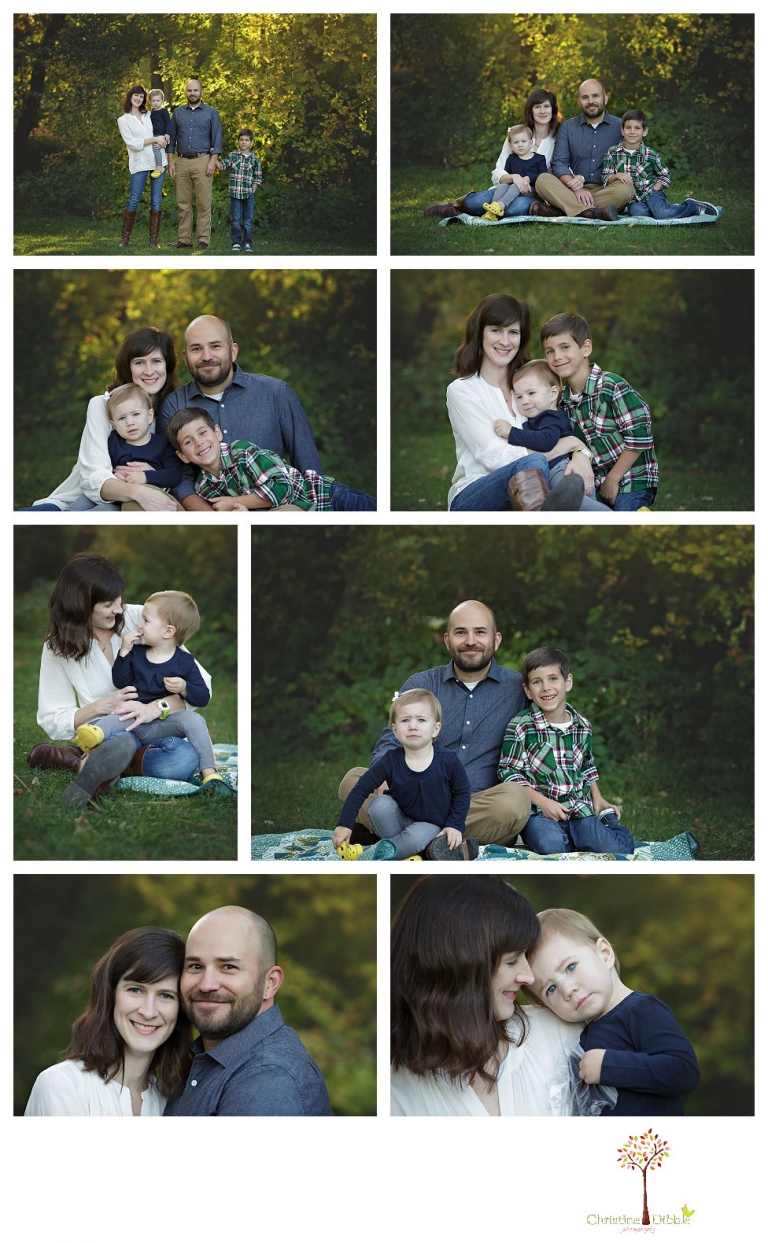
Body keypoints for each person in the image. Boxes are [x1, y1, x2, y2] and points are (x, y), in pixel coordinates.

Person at [339, 600, 530, 847]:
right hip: (414, 796)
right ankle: (436, 845)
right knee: (352, 780)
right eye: (460, 632)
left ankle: (396, 835)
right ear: (447, 640)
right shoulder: (422, 685)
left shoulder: (518, 689)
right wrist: (381, 775)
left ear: (497, 639)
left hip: (474, 804)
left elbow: (553, 728)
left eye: (480, 632)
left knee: (514, 801)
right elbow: (390, 739)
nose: (470, 641)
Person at [26, 553, 213, 802]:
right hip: (109, 731)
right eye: (107, 604)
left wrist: (156, 707)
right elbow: (53, 717)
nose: (119, 608)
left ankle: (83, 761)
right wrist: (101, 707)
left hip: (155, 729)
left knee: (184, 758)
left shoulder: (141, 619)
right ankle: (103, 759)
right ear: (80, 604)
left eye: (118, 597)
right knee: (123, 742)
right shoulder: (58, 647)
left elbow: (200, 684)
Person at [390, 876, 581, 1115]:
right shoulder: (394, 1092)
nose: (528, 977)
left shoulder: (559, 1035)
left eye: (525, 956)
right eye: (512, 961)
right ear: (460, 965)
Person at [528, 908, 701, 1115]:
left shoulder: (641, 1010)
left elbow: (684, 1071)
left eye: (571, 967)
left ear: (604, 954)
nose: (567, 990)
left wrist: (609, 1066)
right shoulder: (579, 1037)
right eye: (551, 989)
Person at [164, 905, 332, 1115]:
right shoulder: (202, 1060)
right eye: (196, 966)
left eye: (228, 967)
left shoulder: (268, 1076)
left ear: (270, 983)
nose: (207, 985)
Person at [446, 293, 604, 512]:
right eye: (496, 330)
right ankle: (544, 520)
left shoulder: (528, 387)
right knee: (533, 464)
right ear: (479, 333)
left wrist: (581, 453)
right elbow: (497, 459)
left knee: (581, 502)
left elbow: (557, 426)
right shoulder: (462, 391)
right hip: (475, 495)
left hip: (535, 488)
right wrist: (570, 444)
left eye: (513, 332)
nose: (504, 341)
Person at [71, 590, 227, 805]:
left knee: (194, 720)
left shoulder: (185, 662)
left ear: (168, 631)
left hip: (161, 727)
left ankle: (209, 773)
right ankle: (97, 740)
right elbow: (120, 680)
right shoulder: (137, 653)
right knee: (123, 713)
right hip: (131, 725)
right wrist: (124, 652)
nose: (139, 625)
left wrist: (184, 688)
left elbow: (203, 698)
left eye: (146, 620)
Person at [159, 315, 324, 508]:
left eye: (215, 346)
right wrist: (214, 520)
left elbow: (307, 464)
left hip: (280, 508)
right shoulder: (173, 404)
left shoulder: (276, 393)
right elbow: (180, 477)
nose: (206, 356)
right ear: (186, 357)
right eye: (196, 349)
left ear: (233, 351)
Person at [24, 927, 192, 1116]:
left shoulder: (173, 1104)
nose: (148, 1011)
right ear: (110, 995)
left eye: (166, 995)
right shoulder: (62, 1085)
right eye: (136, 990)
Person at [22, 326, 180, 513]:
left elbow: (177, 472)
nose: (148, 371)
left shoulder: (173, 411)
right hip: (75, 503)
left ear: (167, 366)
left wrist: (149, 476)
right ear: (128, 367)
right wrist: (137, 490)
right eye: (139, 362)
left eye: (156, 361)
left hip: (133, 506)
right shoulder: (102, 405)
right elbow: (94, 476)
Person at [498, 646, 635, 855]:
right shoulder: (521, 726)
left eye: (553, 678)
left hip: (578, 808)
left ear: (567, 682)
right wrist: (543, 803)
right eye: (537, 681)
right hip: (539, 813)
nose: (546, 687)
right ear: (527, 690)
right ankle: (572, 840)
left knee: (616, 849)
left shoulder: (583, 726)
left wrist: (597, 798)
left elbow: (587, 766)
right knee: (550, 845)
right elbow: (508, 772)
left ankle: (607, 823)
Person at [334, 689, 476, 861]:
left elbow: (462, 792)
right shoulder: (390, 760)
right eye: (405, 720)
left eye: (421, 720)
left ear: (435, 729)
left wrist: (454, 825)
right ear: (394, 730)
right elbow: (361, 789)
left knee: (415, 838)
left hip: (430, 825)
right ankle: (409, 855)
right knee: (379, 804)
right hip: (397, 820)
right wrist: (344, 824)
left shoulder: (448, 761)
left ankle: (368, 853)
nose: (413, 726)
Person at [541, 311, 659, 510]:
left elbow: (640, 438)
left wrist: (613, 479)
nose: (557, 356)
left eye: (565, 347)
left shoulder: (611, 386)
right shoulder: (563, 400)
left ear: (586, 348)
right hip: (596, 482)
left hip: (633, 479)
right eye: (549, 351)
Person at [167, 407, 377, 511]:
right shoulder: (204, 488)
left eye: (203, 433)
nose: (199, 443)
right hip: (299, 512)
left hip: (326, 497)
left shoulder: (241, 452)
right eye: (188, 442)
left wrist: (236, 502)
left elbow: (282, 487)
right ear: (182, 456)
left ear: (218, 433)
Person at [424, 87, 562, 219]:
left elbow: (554, 173)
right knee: (476, 201)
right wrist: (514, 177)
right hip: (505, 189)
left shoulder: (559, 138)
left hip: (531, 193)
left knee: (517, 207)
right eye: (537, 107)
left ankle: (488, 210)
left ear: (553, 109)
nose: (542, 111)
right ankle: (454, 207)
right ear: (531, 110)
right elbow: (498, 173)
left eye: (546, 106)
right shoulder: (518, 134)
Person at [534, 79, 636, 220]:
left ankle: (562, 209)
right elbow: (559, 163)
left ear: (605, 98)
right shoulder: (568, 127)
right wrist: (577, 188)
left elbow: (634, 157)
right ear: (579, 102)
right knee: (542, 180)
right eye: (585, 97)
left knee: (626, 189)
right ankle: (593, 212)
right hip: (571, 189)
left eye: (595, 96)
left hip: (606, 190)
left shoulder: (621, 127)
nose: (590, 101)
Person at [493, 359, 595, 495]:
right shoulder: (538, 418)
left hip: (562, 469)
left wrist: (511, 432)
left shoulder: (551, 418)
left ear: (553, 393)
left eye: (531, 393)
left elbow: (546, 441)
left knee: (572, 502)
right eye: (519, 397)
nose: (524, 401)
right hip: (551, 471)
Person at [602, 109, 717, 220]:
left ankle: (692, 206)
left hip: (651, 192)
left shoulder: (650, 154)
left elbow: (665, 175)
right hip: (634, 199)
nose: (632, 132)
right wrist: (617, 176)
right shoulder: (613, 152)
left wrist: (656, 189)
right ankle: (659, 210)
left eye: (637, 128)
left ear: (645, 131)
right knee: (638, 213)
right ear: (622, 130)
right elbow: (606, 177)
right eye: (628, 128)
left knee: (661, 214)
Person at [106, 383, 184, 509]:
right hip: (118, 499)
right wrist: (112, 477)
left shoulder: (163, 444)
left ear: (149, 416)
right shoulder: (114, 442)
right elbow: (102, 469)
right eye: (121, 418)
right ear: (114, 425)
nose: (129, 422)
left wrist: (145, 476)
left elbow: (175, 475)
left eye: (135, 414)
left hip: (154, 499)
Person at [166, 78, 222, 251]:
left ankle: (203, 240)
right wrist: (170, 162)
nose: (192, 93)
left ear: (201, 92)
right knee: (183, 203)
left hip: (203, 160)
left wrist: (213, 161)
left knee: (204, 203)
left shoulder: (211, 112)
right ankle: (184, 239)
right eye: (189, 90)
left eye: (195, 90)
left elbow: (217, 139)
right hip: (181, 161)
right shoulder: (177, 113)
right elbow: (171, 140)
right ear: (185, 93)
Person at [116, 84, 167, 249]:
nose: (138, 98)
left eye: (141, 96)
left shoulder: (150, 115)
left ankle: (153, 241)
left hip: (158, 161)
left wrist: (165, 138)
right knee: (134, 199)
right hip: (139, 162)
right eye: (135, 95)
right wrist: (154, 140)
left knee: (156, 200)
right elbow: (133, 144)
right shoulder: (123, 120)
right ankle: (124, 239)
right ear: (130, 97)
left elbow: (163, 130)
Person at [482, 125, 549, 219]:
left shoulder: (539, 158)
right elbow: (507, 175)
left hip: (532, 190)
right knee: (502, 186)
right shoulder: (511, 159)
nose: (520, 144)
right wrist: (511, 179)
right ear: (511, 146)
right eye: (516, 142)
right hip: (513, 189)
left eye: (523, 141)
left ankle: (501, 205)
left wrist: (528, 179)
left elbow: (544, 176)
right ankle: (493, 211)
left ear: (531, 143)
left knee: (515, 186)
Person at [217, 128, 263, 251]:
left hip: (249, 194)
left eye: (246, 140)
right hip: (235, 193)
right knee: (236, 219)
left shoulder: (254, 159)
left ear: (251, 142)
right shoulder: (233, 156)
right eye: (241, 140)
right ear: (238, 141)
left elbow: (258, 176)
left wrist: (254, 187)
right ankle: (236, 242)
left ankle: (247, 242)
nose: (244, 142)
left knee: (247, 220)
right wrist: (213, 158)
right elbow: (222, 166)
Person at [148, 88, 172, 179]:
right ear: (150, 101)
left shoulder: (163, 112)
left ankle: (159, 166)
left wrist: (167, 134)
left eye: (158, 100)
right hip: (154, 135)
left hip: (162, 135)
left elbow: (168, 122)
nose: (156, 103)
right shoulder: (151, 113)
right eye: (153, 100)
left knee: (155, 148)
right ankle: (152, 165)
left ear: (162, 101)